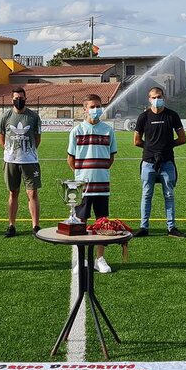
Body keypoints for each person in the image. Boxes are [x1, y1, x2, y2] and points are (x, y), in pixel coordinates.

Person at [67, 94, 118, 273]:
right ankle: (81, 260)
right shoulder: (77, 131)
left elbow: (111, 157)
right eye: (92, 106)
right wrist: (82, 176)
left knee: (102, 222)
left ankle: (100, 259)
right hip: (83, 186)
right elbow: (70, 160)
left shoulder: (108, 130)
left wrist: (100, 170)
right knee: (81, 222)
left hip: (102, 185)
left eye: (98, 106)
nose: (96, 109)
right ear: (85, 109)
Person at [134, 86, 186, 238]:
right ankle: (144, 227)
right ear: (149, 99)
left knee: (169, 195)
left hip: (167, 162)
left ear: (164, 98)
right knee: (146, 195)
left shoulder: (172, 115)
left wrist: (166, 147)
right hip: (148, 162)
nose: (157, 100)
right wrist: (151, 149)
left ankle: (171, 228)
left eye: (159, 96)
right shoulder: (143, 117)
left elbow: (183, 139)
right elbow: (137, 141)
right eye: (154, 97)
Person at [0, 87, 42, 237]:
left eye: (21, 98)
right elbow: (1, 137)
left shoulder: (33, 117)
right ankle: (11, 226)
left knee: (32, 193)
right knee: (13, 192)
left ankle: (36, 226)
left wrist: (28, 152)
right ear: (12, 99)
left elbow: (37, 139)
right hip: (11, 161)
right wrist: (10, 151)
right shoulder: (5, 116)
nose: (19, 100)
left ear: (25, 98)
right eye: (16, 98)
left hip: (29, 160)